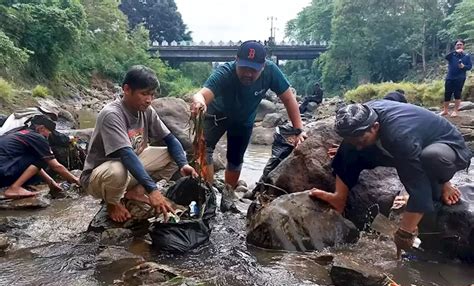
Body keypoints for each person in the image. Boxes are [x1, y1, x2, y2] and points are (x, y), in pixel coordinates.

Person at [309, 100, 472, 257]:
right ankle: (339, 197)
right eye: (354, 141)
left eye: (361, 140)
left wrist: (405, 233)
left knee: (431, 162)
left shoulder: (399, 136)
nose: (358, 146)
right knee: (348, 151)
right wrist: (348, 149)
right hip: (412, 143)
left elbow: (419, 190)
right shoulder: (362, 115)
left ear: (375, 126)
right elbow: (349, 151)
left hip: (447, 148)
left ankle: (443, 182)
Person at [80, 65, 197, 223]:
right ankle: (112, 203)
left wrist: (183, 164)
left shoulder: (146, 110)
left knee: (174, 154)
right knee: (117, 170)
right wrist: (153, 190)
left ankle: (136, 192)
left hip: (131, 161)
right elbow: (125, 154)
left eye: (152, 94)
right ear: (126, 89)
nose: (149, 100)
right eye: (144, 94)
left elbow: (170, 139)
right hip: (99, 175)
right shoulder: (112, 114)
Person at [191, 40, 306, 188]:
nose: (248, 73)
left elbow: (289, 99)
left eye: (254, 70)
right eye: (244, 68)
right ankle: (207, 195)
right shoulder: (225, 72)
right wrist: (199, 103)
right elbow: (201, 95)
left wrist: (299, 130)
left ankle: (228, 194)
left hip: (243, 120)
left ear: (263, 66)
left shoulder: (271, 71)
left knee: (235, 159)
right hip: (216, 115)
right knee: (203, 148)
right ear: (236, 60)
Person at [0, 115, 80, 199]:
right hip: (3, 173)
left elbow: (33, 165)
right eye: (49, 133)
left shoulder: (19, 132)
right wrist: (76, 180)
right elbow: (56, 166)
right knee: (44, 158)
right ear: (41, 128)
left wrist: (51, 182)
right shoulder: (38, 137)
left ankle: (16, 186)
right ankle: (14, 188)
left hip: (4, 169)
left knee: (38, 157)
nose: (48, 136)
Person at [441, 39, 472, 117]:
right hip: (450, 77)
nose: (459, 46)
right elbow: (446, 57)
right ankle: (445, 110)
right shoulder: (452, 55)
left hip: (460, 78)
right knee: (447, 94)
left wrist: (463, 66)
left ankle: (455, 111)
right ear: (455, 46)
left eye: (460, 44)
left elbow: (469, 67)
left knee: (457, 94)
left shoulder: (466, 56)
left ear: (463, 46)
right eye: (457, 44)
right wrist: (455, 52)